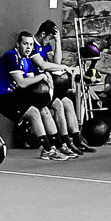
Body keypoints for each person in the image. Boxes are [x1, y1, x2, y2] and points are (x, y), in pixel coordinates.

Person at [0, 32, 70, 161]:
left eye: (31, 44)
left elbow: (31, 80)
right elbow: (21, 83)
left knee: (43, 108)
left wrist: (46, 79)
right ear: (18, 44)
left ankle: (60, 145)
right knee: (34, 112)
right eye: (25, 44)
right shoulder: (12, 56)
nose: (28, 47)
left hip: (15, 94)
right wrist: (43, 76)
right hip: (0, 96)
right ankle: (47, 150)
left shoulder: (27, 60)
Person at [30, 20, 95, 155]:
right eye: (49, 38)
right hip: (35, 88)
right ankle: (65, 142)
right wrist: (63, 68)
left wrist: (58, 41)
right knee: (59, 104)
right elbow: (43, 65)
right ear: (43, 34)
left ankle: (77, 140)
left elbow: (56, 61)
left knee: (68, 103)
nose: (49, 42)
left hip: (48, 85)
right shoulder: (31, 45)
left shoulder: (46, 46)